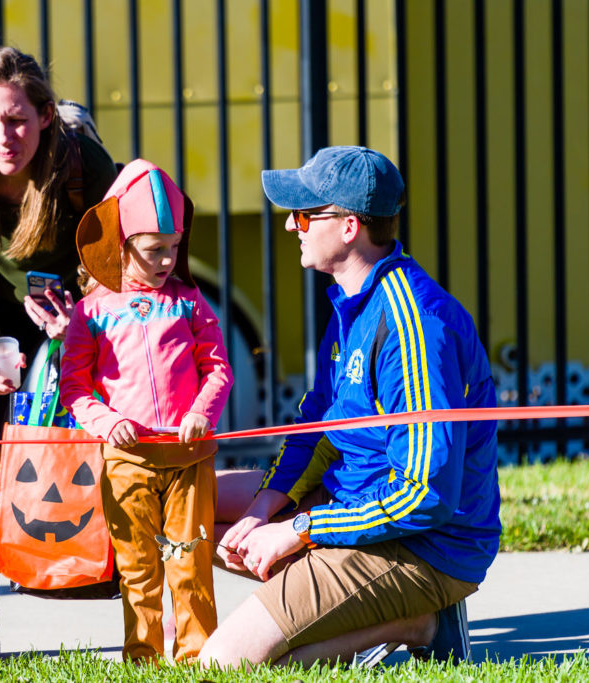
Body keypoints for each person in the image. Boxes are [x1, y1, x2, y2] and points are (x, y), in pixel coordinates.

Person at [199, 146, 501, 668]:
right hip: (355, 505)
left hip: (424, 547)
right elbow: (319, 420)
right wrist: (267, 504)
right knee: (188, 506)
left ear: (348, 226)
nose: (292, 227)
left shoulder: (416, 327)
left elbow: (425, 496)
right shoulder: (349, 302)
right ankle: (350, 605)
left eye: (302, 215)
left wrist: (298, 530)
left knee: (224, 663)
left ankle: (423, 622)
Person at [0, 45, 117, 657]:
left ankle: (130, 587)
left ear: (41, 114)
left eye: (15, 120)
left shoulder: (83, 163)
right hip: (2, 321)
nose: (3, 136)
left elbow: (120, 260)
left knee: (106, 443)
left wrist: (78, 319)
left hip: (82, 312)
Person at [59, 159, 234, 662]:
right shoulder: (90, 311)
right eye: (155, 249)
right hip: (127, 461)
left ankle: (199, 657)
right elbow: (74, 386)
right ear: (121, 242)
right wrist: (107, 421)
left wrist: (202, 412)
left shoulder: (189, 302)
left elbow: (218, 367)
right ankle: (143, 659)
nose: (167, 260)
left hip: (188, 458)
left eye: (174, 247)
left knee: (190, 564)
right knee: (138, 567)